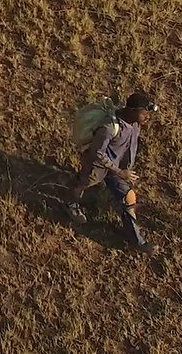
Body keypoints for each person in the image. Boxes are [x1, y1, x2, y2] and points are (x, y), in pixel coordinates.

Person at [66, 90, 159, 249]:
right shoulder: (109, 127)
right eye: (144, 113)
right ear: (131, 111)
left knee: (129, 199)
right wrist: (119, 171)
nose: (147, 117)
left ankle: (136, 241)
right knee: (84, 183)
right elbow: (97, 153)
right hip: (99, 166)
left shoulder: (135, 124)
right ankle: (71, 204)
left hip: (118, 169)